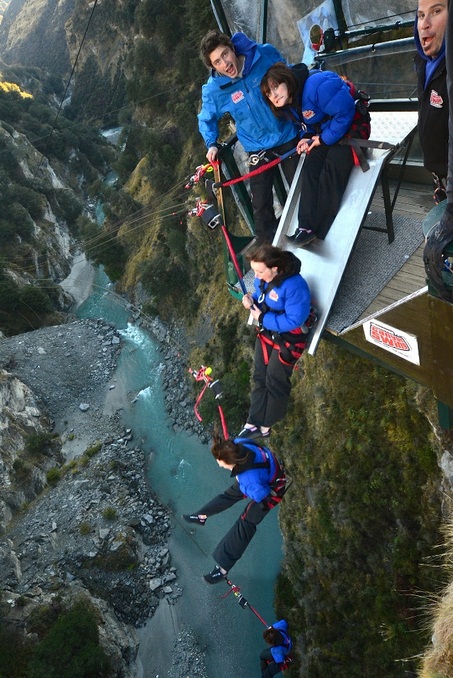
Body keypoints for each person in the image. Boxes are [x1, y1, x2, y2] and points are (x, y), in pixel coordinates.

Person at [198, 30, 300, 244]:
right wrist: (212, 144)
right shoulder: (215, 90)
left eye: (225, 54)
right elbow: (206, 118)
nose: (225, 63)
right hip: (257, 147)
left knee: (300, 184)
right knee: (260, 203)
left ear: (232, 49)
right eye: (217, 62)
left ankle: (310, 227)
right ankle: (269, 251)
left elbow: (288, 76)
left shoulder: (263, 55)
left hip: (286, 133)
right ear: (213, 67)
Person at [260, 62, 359, 246]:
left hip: (351, 133)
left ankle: (323, 231)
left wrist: (322, 139)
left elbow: (345, 112)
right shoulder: (292, 104)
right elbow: (309, 124)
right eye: (268, 94)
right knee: (310, 168)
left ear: (287, 81)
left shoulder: (316, 85)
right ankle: (305, 228)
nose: (273, 95)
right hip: (329, 135)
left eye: (275, 87)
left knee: (330, 171)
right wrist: (305, 137)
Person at [183, 434, 287, 583]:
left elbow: (260, 496)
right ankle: (202, 515)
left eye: (221, 463)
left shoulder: (248, 478)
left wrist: (244, 486)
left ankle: (223, 569)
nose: (219, 465)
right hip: (266, 468)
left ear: (231, 462)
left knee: (246, 522)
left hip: (271, 490)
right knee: (230, 494)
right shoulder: (238, 443)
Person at [239, 243, 311, 440]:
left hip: (289, 338)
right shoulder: (264, 279)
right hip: (269, 332)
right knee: (260, 376)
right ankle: (253, 420)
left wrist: (262, 318)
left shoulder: (295, 286)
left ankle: (267, 423)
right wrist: (251, 300)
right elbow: (260, 296)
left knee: (275, 379)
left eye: (260, 271)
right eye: (254, 271)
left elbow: (295, 319)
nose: (257, 275)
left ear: (275, 269)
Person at [415, 0, 449, 203]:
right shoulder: (422, 62)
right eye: (420, 15)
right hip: (441, 178)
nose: (424, 24)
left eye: (436, 11)